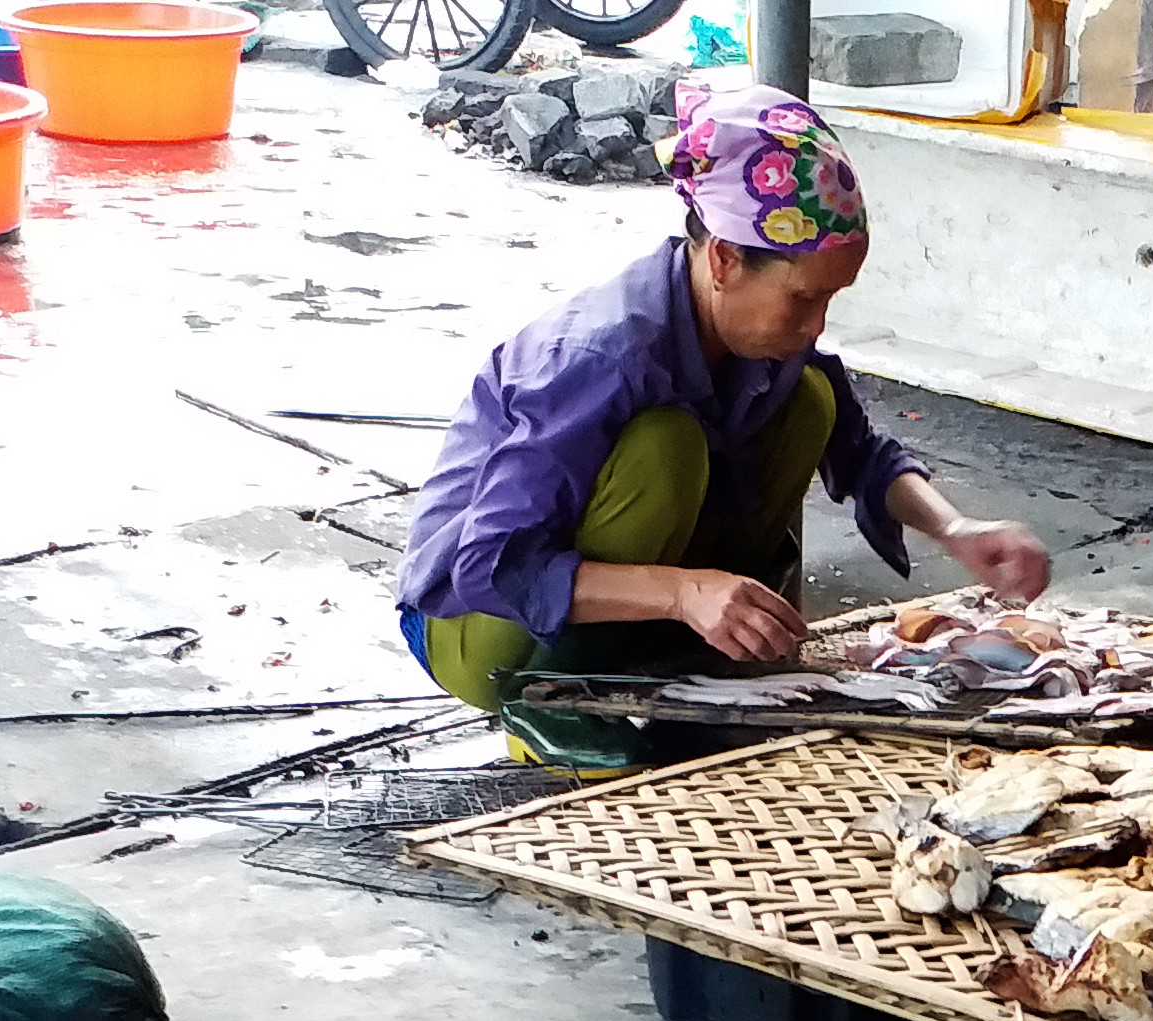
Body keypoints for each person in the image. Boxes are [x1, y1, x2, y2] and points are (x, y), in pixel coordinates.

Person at [396, 88, 1051, 767]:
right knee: (665, 445)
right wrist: (686, 591)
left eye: (831, 299)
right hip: (479, 631)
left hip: (613, 601)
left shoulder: (769, 341)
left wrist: (956, 528)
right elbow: (489, 567)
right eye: (804, 297)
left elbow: (860, 452)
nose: (817, 324)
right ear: (724, 262)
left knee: (811, 403)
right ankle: (552, 701)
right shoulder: (596, 356)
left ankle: (692, 657)